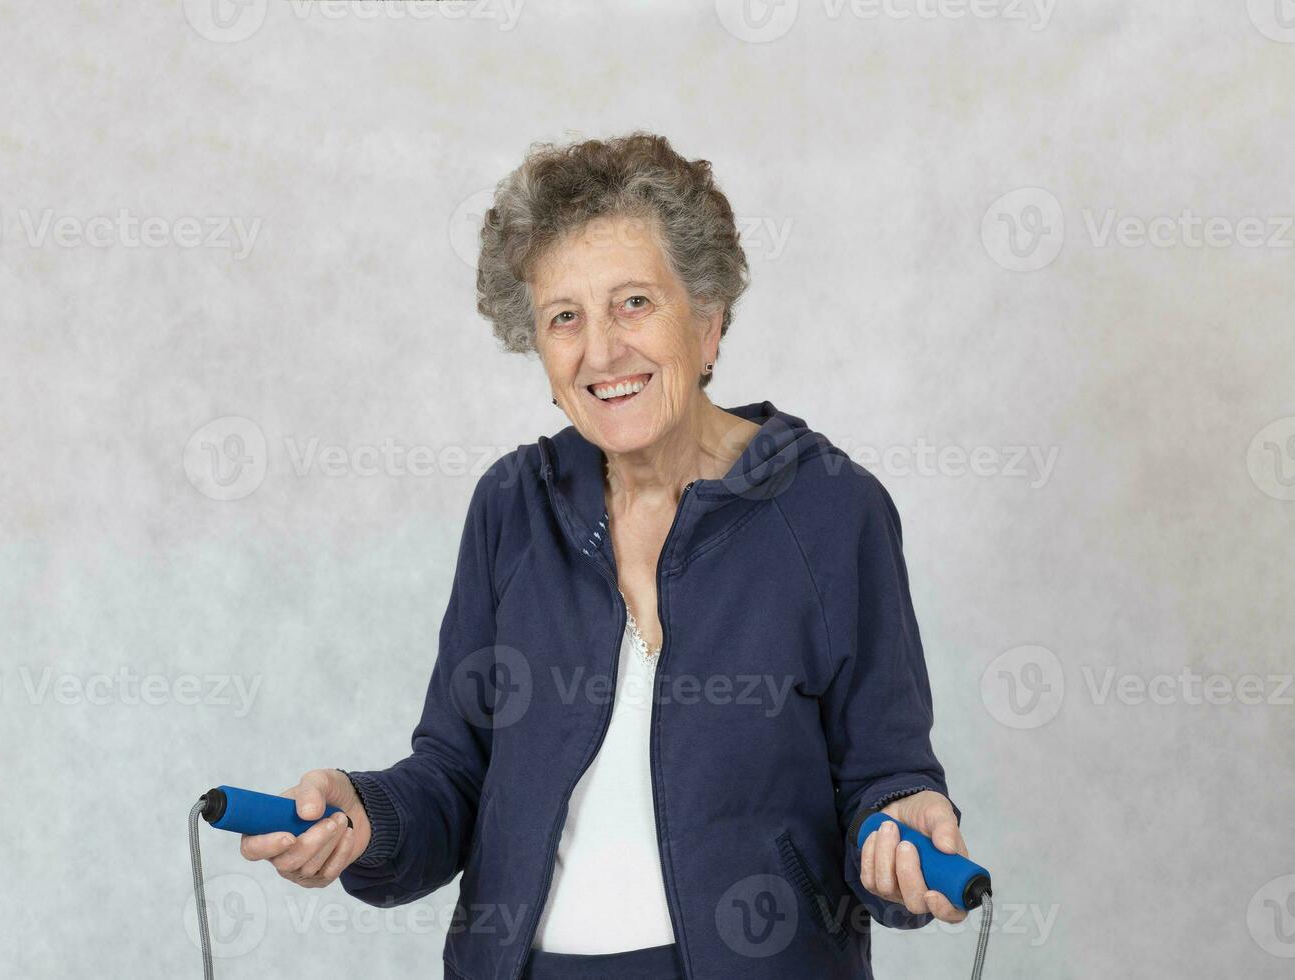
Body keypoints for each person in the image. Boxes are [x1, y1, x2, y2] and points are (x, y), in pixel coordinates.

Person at [240, 131, 972, 979]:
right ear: (541, 352)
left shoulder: (833, 511)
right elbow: (455, 774)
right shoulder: (512, 507)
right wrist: (366, 816)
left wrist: (905, 826)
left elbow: (883, 779)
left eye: (633, 303)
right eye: (564, 317)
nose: (601, 351)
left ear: (707, 322)